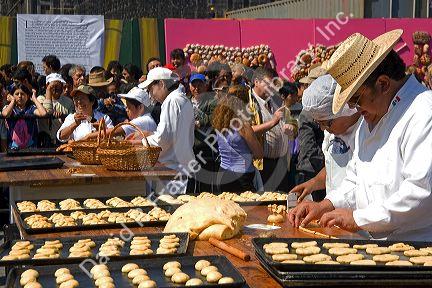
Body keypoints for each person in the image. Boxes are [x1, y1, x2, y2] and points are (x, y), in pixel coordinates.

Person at [288, 30, 432, 241]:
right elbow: (355, 180)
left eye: (357, 99)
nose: (354, 107)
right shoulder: (369, 121)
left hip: (418, 249)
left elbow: (420, 192)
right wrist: (325, 205)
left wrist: (359, 218)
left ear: (383, 84)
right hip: (377, 246)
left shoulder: (423, 112)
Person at [290, 74, 361, 202]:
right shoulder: (331, 130)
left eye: (326, 123)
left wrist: (328, 205)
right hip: (332, 210)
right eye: (319, 124)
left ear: (343, 111)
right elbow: (332, 165)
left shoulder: (364, 130)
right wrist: (314, 183)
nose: (323, 129)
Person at [137, 67, 195, 195]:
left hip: (174, 172)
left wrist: (143, 141)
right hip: (180, 170)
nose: (151, 94)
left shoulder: (172, 101)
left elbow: (163, 139)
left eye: (151, 89)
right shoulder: (181, 99)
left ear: (161, 84)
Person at [213, 92, 263, 192]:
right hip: (242, 175)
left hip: (223, 172)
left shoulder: (218, 124)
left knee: (226, 206)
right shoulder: (243, 125)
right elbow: (259, 153)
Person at [250, 67, 290, 192]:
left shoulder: (275, 99)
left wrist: (291, 127)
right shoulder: (248, 102)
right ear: (256, 82)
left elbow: (289, 120)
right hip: (262, 164)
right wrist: (273, 122)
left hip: (280, 162)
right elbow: (248, 130)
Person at [84, 87, 156, 140]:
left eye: (129, 107)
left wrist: (88, 136)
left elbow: (114, 131)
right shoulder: (147, 119)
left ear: (140, 107)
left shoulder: (143, 120)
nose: (126, 109)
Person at [189, 73, 219, 193]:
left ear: (205, 86)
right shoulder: (185, 101)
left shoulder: (212, 101)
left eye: (199, 85)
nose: (196, 88)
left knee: (207, 183)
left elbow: (215, 118)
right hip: (190, 146)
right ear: (189, 86)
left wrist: (200, 122)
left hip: (207, 146)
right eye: (194, 85)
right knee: (192, 181)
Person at [2, 83, 47, 149]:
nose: (20, 96)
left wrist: (34, 99)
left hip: (31, 148)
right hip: (13, 148)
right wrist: (13, 101)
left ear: (28, 96)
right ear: (12, 96)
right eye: (17, 94)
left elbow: (43, 113)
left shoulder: (31, 108)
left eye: (22, 94)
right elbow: (5, 114)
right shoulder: (9, 108)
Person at [37, 73, 74, 147]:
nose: (57, 88)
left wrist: (63, 117)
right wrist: (48, 90)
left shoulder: (68, 102)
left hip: (61, 141)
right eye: (54, 86)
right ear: (47, 85)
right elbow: (48, 111)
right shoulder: (40, 99)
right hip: (45, 141)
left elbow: (71, 121)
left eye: (60, 85)